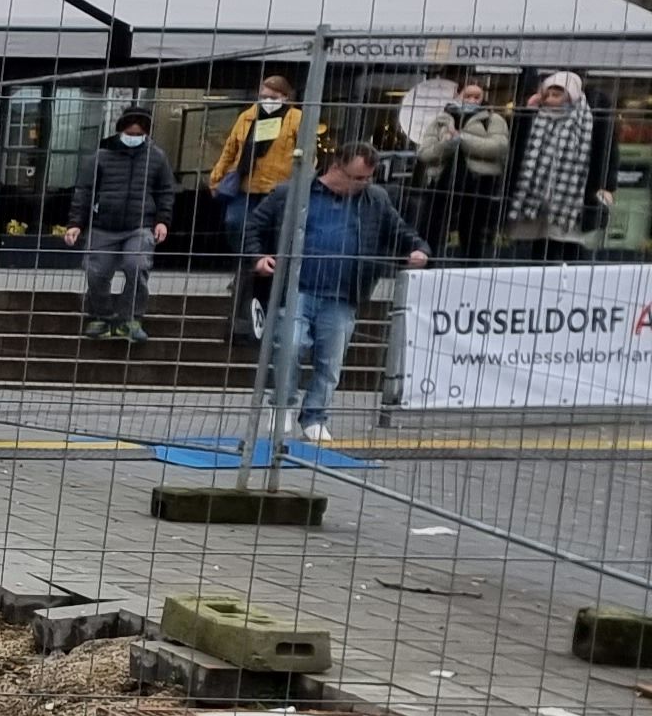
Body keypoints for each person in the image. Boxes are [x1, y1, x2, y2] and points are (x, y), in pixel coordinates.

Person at [250, 143, 427, 443]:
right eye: (357, 178)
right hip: (297, 289)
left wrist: (418, 249)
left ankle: (315, 416)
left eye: (368, 178)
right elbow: (253, 225)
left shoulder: (375, 200)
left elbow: (400, 231)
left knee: (330, 362)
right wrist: (257, 257)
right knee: (289, 348)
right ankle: (281, 408)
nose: (364, 184)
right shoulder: (292, 193)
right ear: (335, 168)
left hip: (343, 293)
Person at [205, 71, 313, 342]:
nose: (266, 101)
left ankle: (261, 270)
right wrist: (217, 176)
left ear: (285, 97)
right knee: (235, 223)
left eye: (272, 97)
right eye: (263, 96)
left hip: (278, 188)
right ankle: (248, 263)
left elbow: (307, 153)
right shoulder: (248, 116)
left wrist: (302, 184)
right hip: (246, 185)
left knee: (272, 235)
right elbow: (231, 148)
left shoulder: (296, 119)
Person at [77, 105, 172, 344]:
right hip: (103, 225)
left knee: (137, 266)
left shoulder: (157, 157)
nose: (134, 138)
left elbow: (165, 191)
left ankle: (130, 318)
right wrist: (75, 223)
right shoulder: (101, 156)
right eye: (129, 134)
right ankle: (101, 316)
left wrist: (162, 221)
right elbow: (85, 191)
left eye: (138, 134)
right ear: (120, 131)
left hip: (139, 224)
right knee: (97, 272)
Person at [502, 71, 616, 260]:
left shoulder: (590, 118)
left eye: (557, 95)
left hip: (573, 199)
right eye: (547, 95)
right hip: (537, 199)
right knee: (539, 248)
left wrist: (605, 185)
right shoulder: (536, 116)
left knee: (570, 247)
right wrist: (527, 110)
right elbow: (516, 147)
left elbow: (606, 152)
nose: (550, 100)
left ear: (571, 95)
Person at [413, 76, 511, 260]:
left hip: (478, 183)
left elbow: (499, 147)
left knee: (473, 231)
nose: (472, 101)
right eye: (468, 96)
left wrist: (464, 139)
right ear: (458, 95)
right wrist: (447, 145)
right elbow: (425, 152)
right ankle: (426, 262)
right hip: (442, 180)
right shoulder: (441, 120)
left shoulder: (492, 120)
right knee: (431, 227)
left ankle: (470, 267)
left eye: (477, 97)